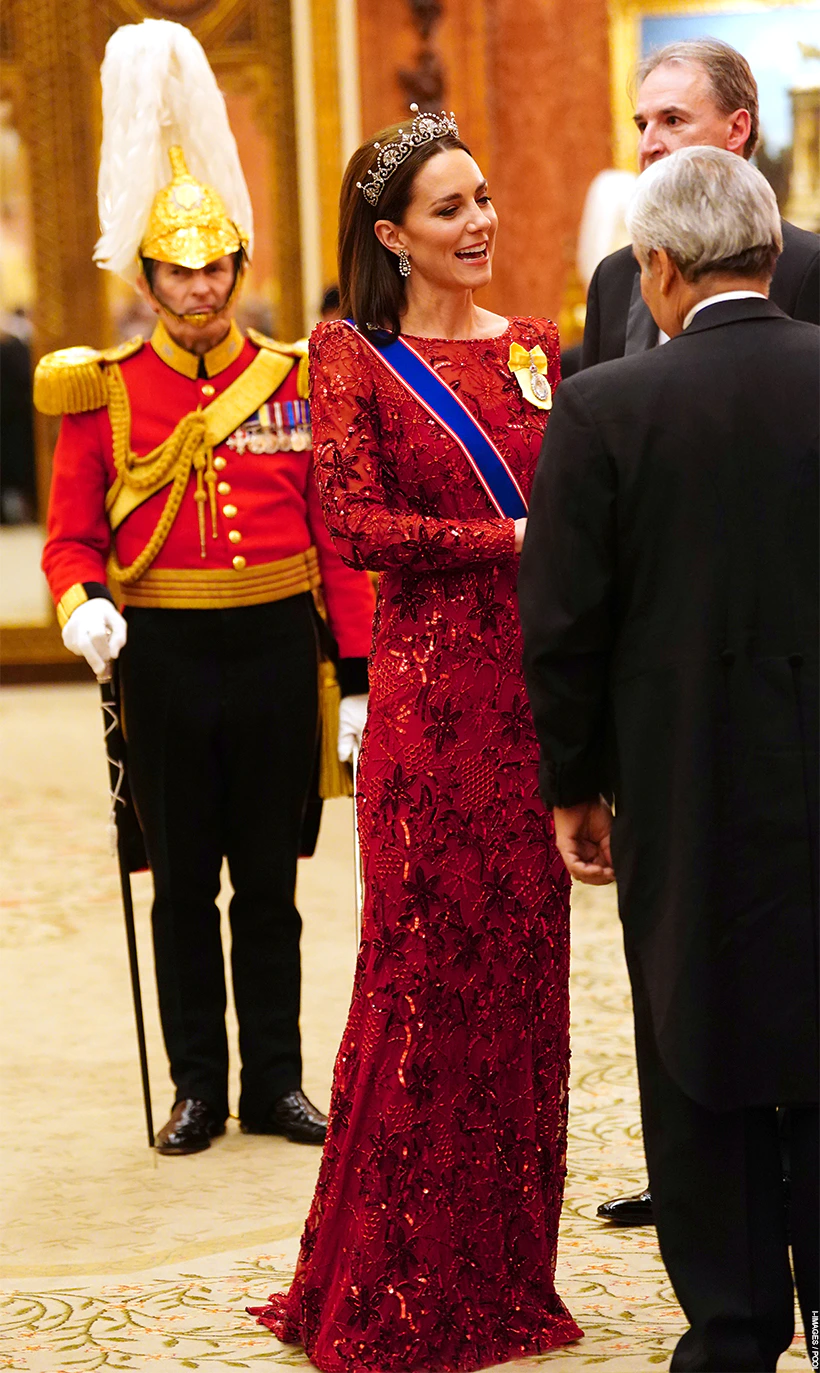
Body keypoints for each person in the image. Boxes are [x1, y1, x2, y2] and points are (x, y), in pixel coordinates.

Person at [248, 107, 582, 1369]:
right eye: (448, 209)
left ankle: (505, 1277)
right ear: (391, 236)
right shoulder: (349, 353)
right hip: (431, 710)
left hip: (533, 703)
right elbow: (351, 522)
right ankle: (392, 1282)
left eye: (483, 196)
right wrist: (509, 540)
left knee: (523, 986)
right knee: (427, 977)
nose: (479, 220)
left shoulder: (536, 346)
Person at [37, 19, 374, 1156]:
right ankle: (196, 1085)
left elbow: (339, 539)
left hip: (279, 648)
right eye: (178, 268)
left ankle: (274, 1082)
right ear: (150, 275)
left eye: (215, 264)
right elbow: (72, 535)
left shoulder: (289, 379)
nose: (198, 285)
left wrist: (361, 672)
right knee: (180, 886)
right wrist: (82, 599)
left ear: (238, 266)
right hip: (166, 659)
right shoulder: (106, 390)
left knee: (269, 885)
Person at [519, 146, 819, 1371]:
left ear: (656, 268)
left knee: (695, 1036)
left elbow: (564, 621)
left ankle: (733, 1325)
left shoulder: (605, 406)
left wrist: (572, 785)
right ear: (768, 247)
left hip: (682, 783)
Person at [582, 35, 819, 1228]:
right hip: (661, 697)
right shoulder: (616, 285)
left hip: (786, 683)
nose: (647, 142)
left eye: (670, 119)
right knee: (678, 957)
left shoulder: (805, 272)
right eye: (638, 122)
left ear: (736, 131)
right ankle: (694, 1165)